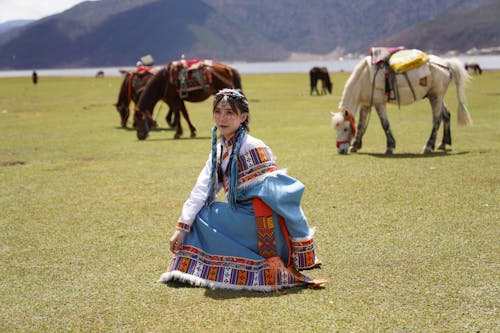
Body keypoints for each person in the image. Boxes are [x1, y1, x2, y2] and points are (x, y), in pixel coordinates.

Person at [159, 88, 326, 291]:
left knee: (202, 214)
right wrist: (181, 227)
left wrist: (299, 242)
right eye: (218, 112)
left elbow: (280, 196)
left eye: (230, 112)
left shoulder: (252, 146)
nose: (222, 118)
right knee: (199, 212)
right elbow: (202, 190)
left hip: (265, 229)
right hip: (255, 223)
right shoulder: (221, 150)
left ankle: (201, 265)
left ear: (243, 116)